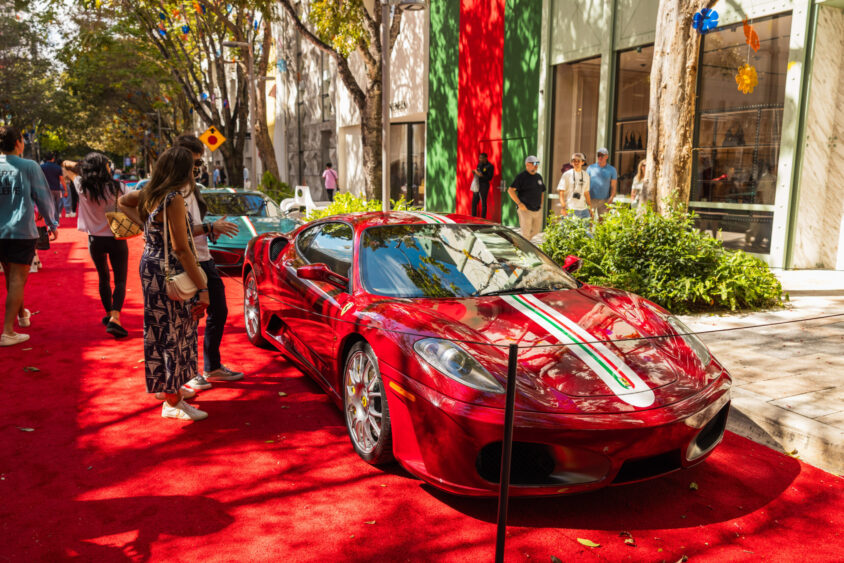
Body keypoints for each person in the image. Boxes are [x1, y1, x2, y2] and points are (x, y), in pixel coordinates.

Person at [120, 147, 210, 420]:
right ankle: (172, 401)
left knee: (163, 330)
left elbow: (124, 201)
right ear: (184, 171)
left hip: (151, 265)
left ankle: (172, 392)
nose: (196, 171)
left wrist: (148, 230)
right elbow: (183, 249)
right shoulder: (174, 199)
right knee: (173, 332)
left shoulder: (151, 193)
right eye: (193, 166)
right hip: (168, 268)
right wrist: (203, 289)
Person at [0, 126, 59, 347]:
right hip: (21, 230)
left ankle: (22, 315)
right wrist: (52, 223)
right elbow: (43, 197)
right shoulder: (28, 166)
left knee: (11, 276)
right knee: (17, 279)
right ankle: (7, 331)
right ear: (18, 142)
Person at [65, 153, 131, 338]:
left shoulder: (81, 185)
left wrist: (82, 165)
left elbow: (65, 164)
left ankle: (109, 314)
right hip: (116, 238)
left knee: (103, 278)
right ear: (105, 167)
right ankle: (115, 318)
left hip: (95, 240)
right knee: (120, 280)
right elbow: (137, 199)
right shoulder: (118, 187)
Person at [507, 155, 546, 242]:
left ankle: (521, 243)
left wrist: (541, 204)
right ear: (527, 164)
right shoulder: (521, 177)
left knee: (536, 231)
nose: (536, 165)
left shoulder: (539, 177)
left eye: (537, 163)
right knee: (526, 233)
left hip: (537, 209)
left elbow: (542, 191)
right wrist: (519, 204)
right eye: (534, 163)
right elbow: (510, 190)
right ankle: (524, 249)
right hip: (525, 210)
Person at [557, 153, 592, 220]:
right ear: (571, 163)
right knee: (568, 230)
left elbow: (586, 193)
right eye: (574, 161)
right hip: (570, 209)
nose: (576, 163)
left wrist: (590, 209)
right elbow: (561, 192)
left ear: (583, 162)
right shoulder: (566, 174)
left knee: (585, 230)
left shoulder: (586, 175)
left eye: (578, 161)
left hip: (584, 210)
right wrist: (563, 208)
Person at [587, 147, 617, 219]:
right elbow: (585, 184)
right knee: (589, 220)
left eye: (602, 155)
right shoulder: (590, 168)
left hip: (605, 200)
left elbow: (613, 185)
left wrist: (611, 197)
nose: (600, 157)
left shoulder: (612, 170)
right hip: (591, 199)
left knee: (602, 222)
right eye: (598, 155)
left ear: (607, 156)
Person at [40, 152, 67, 221]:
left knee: (48, 206)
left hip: (46, 189)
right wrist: (65, 190)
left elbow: (39, 178)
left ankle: (49, 221)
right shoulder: (58, 167)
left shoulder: (42, 167)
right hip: (57, 190)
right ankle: (56, 221)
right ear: (53, 159)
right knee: (56, 207)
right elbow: (62, 180)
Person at [471, 152, 495, 218]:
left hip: (484, 185)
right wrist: (475, 172)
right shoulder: (479, 165)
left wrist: (481, 175)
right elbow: (478, 173)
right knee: (474, 202)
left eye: (481, 158)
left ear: (485, 158)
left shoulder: (490, 166)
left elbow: (490, 177)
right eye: (479, 158)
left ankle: (483, 218)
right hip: (477, 184)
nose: (479, 159)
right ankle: (473, 217)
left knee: (483, 202)